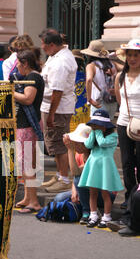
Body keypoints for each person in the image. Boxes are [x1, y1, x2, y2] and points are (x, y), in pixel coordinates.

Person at [39, 28, 78, 193]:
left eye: (43, 44)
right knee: (53, 143)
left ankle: (64, 178)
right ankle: (59, 174)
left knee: (59, 144)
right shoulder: (56, 56)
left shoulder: (60, 62)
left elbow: (57, 91)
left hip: (57, 108)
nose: (42, 47)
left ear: (52, 45)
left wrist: (52, 114)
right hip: (53, 106)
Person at [61, 123, 116, 225]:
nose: (75, 144)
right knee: (59, 198)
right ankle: (85, 207)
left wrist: (69, 149)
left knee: (79, 179)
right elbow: (75, 176)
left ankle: (87, 211)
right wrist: (74, 190)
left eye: (78, 143)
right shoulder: (79, 154)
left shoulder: (96, 155)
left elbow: (76, 173)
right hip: (87, 189)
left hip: (106, 193)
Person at [78, 109, 124, 228]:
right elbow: (87, 145)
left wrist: (97, 133)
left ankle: (107, 216)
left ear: (105, 126)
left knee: (105, 193)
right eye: (93, 125)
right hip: (93, 165)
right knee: (92, 193)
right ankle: (93, 215)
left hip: (105, 166)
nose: (95, 127)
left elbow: (103, 143)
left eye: (97, 125)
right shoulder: (94, 134)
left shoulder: (113, 136)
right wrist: (93, 133)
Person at [14, 50, 45, 214]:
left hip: (28, 125)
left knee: (27, 165)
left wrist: (10, 92)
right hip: (25, 124)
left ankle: (34, 201)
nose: (17, 66)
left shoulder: (34, 78)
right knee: (27, 164)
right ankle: (27, 197)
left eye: (18, 63)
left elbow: (28, 98)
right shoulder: (29, 77)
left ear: (25, 63)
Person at [114, 38, 140, 210]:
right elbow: (119, 99)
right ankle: (129, 197)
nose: (132, 58)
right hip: (124, 123)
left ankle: (139, 198)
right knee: (127, 163)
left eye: (136, 55)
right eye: (129, 54)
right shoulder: (120, 76)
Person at [81, 40, 118, 121]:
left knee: (96, 129)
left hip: (98, 102)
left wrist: (89, 99)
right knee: (108, 130)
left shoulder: (91, 66)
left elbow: (89, 80)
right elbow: (126, 68)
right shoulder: (113, 64)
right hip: (112, 101)